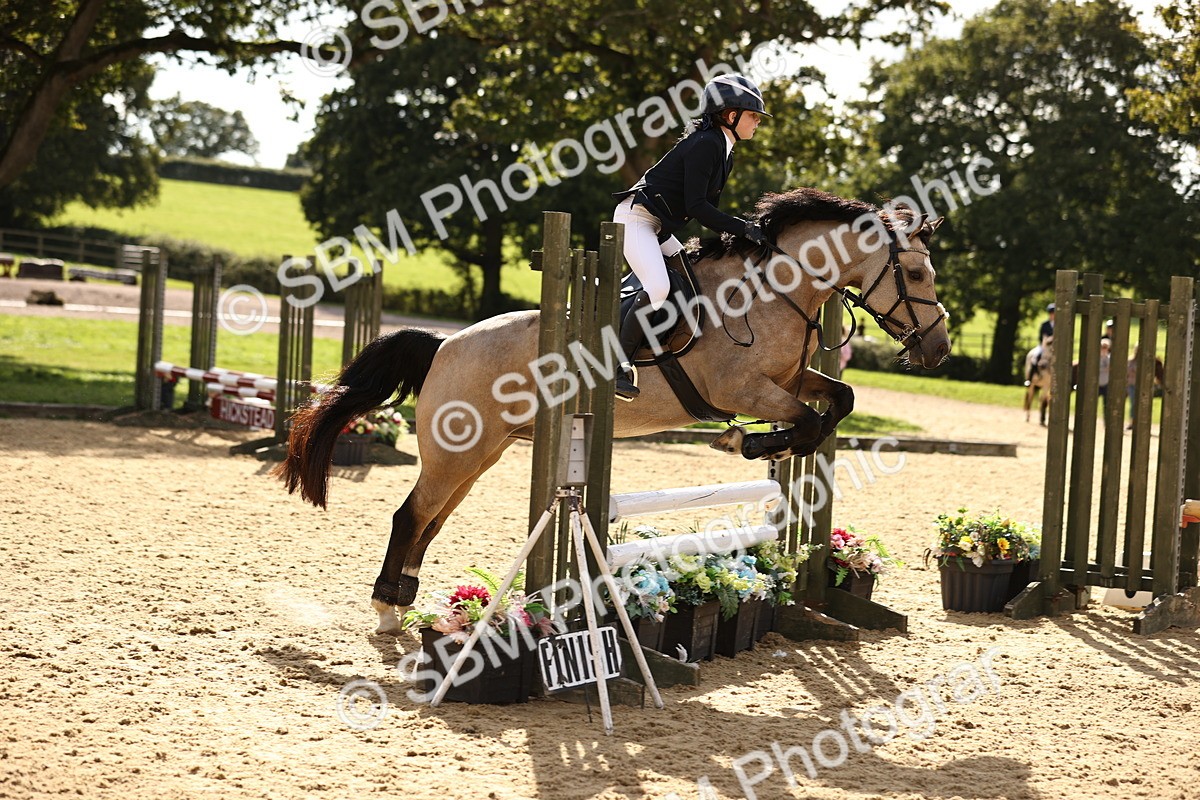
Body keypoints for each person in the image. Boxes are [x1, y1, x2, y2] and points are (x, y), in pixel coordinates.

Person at [610, 74, 771, 399]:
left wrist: (741, 236)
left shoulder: (724, 150)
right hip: (637, 219)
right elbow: (698, 207)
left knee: (690, 281)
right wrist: (743, 229)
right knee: (658, 286)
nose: (757, 122)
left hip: (659, 226)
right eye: (753, 115)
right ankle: (616, 366)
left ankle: (654, 350)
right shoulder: (706, 144)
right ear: (731, 115)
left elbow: (710, 209)